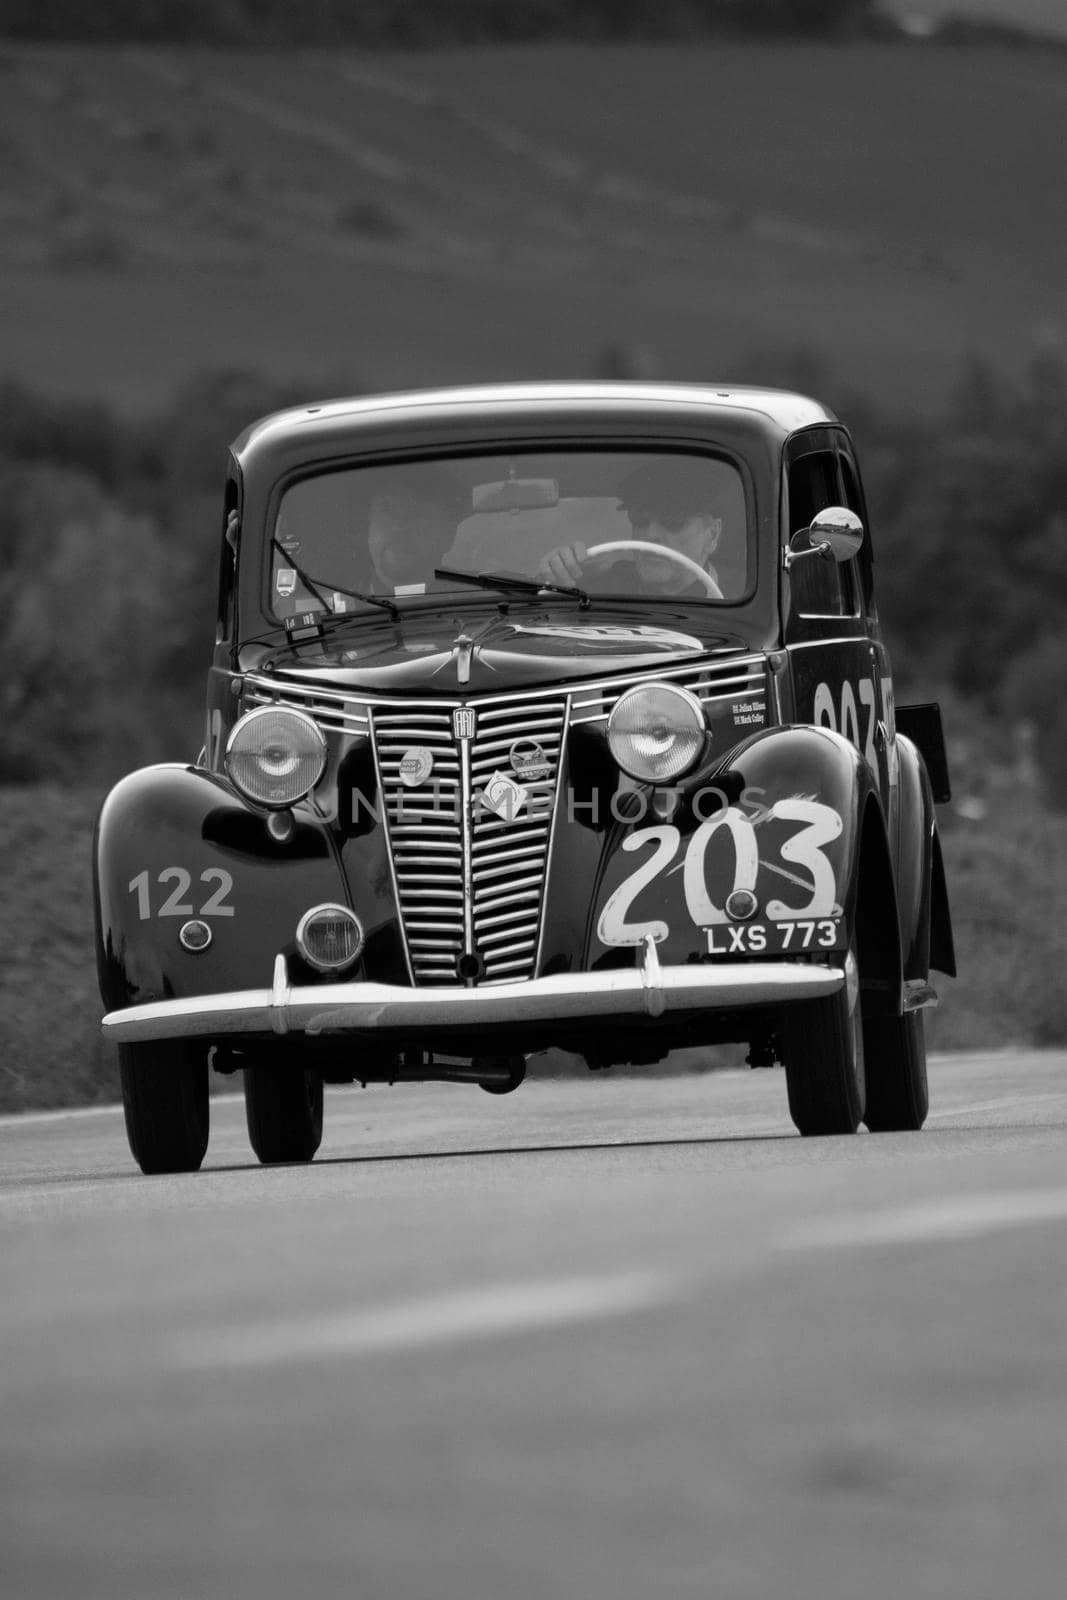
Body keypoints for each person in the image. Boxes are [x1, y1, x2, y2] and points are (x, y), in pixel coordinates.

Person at [538, 459, 730, 598]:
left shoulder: (743, 598)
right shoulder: (600, 589)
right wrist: (557, 580)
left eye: (673, 522)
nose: (650, 534)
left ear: (712, 535)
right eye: (639, 520)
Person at [365, 464, 467, 593]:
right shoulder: (336, 606)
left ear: (448, 535)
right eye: (387, 509)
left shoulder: (483, 603)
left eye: (417, 512)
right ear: (368, 528)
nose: (399, 526)